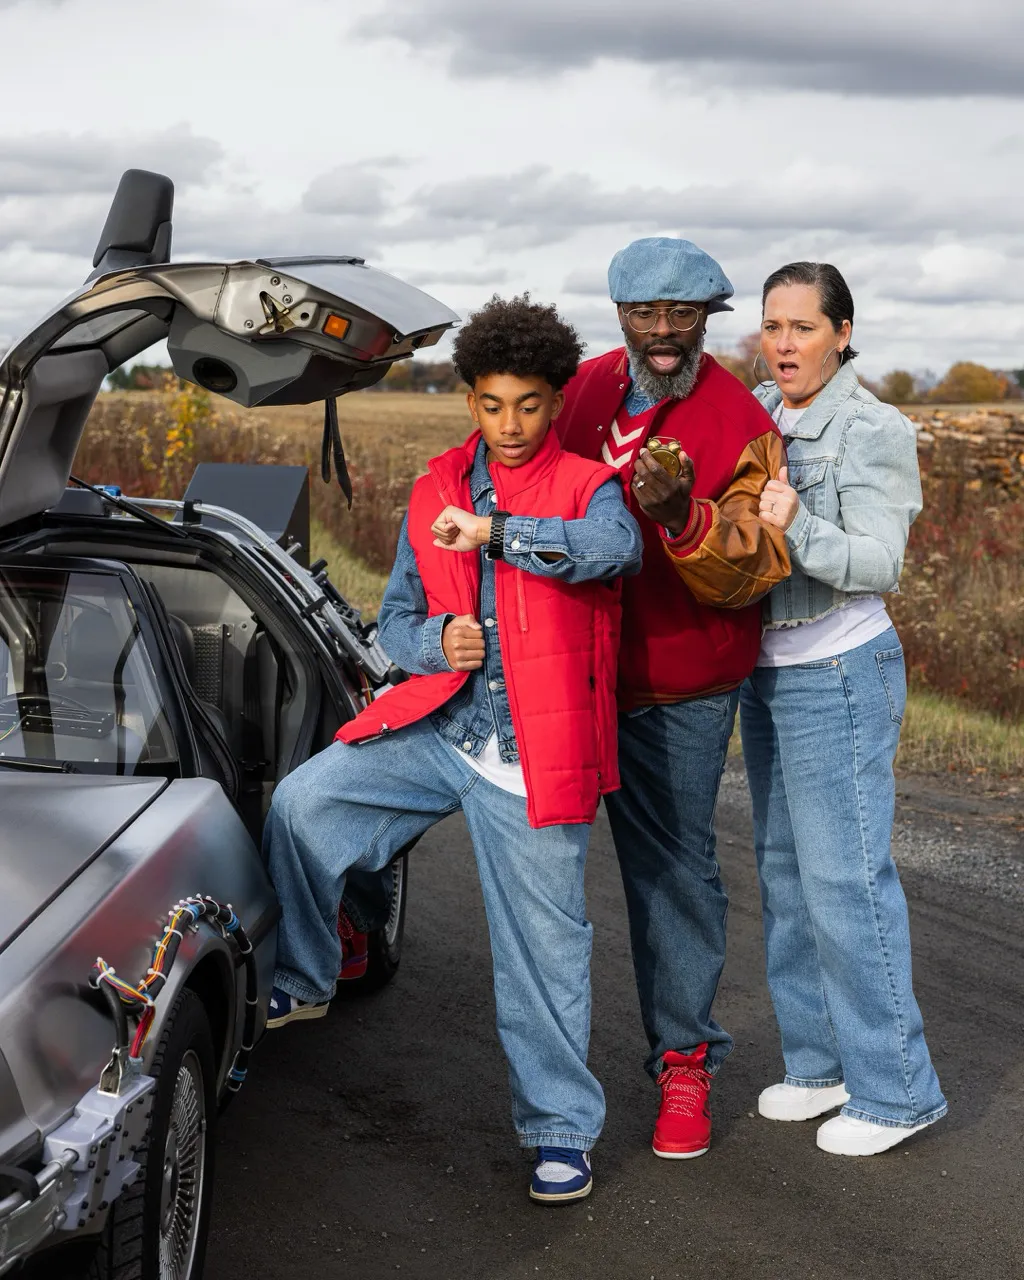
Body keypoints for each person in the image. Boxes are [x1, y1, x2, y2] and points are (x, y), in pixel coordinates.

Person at [263, 295, 643, 1203]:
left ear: (556, 403)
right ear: (468, 399)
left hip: (532, 757)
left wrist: (500, 535)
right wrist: (438, 642)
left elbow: (614, 552)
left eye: (529, 405)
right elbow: (392, 621)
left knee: (543, 953)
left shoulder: (591, 487)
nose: (509, 425)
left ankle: (559, 1132)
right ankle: (309, 972)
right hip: (439, 729)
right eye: (491, 403)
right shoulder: (435, 486)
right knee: (303, 805)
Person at [556, 237, 791, 1159]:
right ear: (618, 314)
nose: (662, 333)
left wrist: (680, 517)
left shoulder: (739, 419)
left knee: (673, 879)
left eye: (681, 315)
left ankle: (686, 1061)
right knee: (524, 862)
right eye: (644, 314)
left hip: (678, 687)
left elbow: (755, 568)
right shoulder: (579, 389)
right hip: (566, 673)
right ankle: (354, 932)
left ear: (706, 318)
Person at [741, 261, 946, 1156]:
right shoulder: (754, 413)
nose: (784, 343)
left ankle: (900, 1091)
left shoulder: (872, 427)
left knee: (846, 882)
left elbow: (881, 563)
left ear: (843, 333)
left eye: (804, 327)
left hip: (839, 669)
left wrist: (799, 526)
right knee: (786, 879)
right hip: (765, 671)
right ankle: (818, 1065)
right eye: (773, 325)